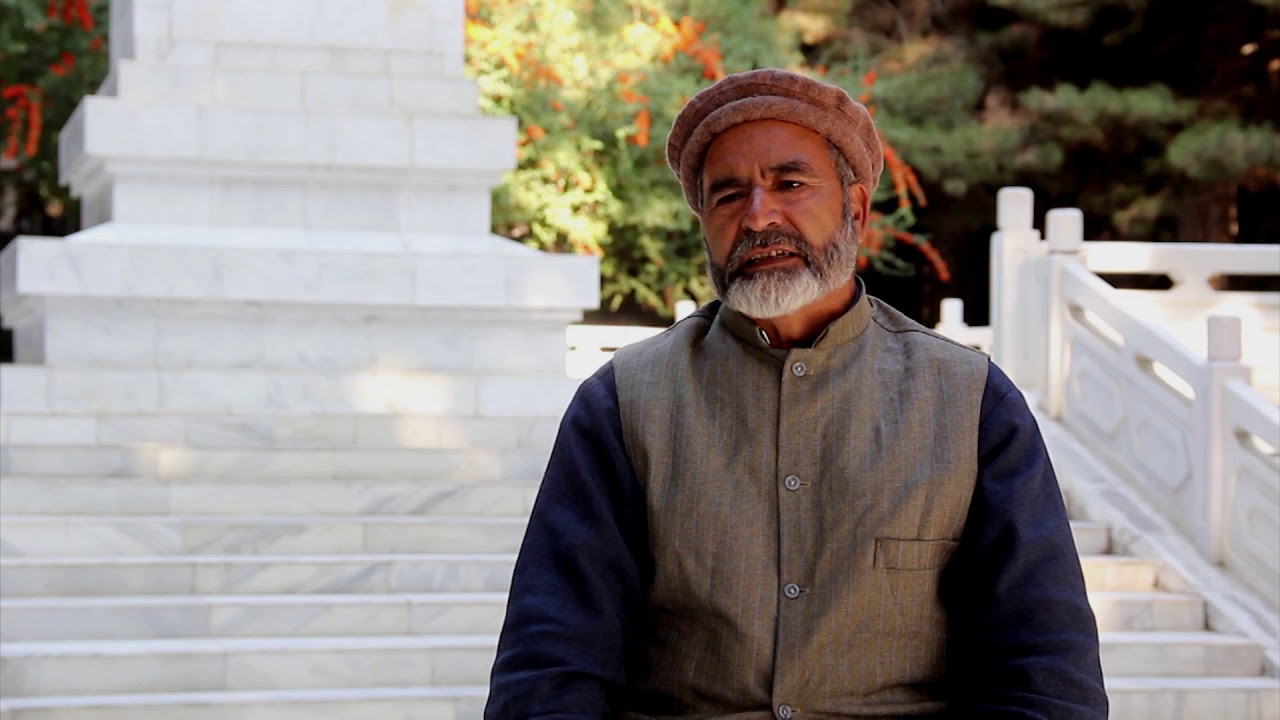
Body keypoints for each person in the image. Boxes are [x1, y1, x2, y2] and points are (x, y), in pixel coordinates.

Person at [485, 68, 1107, 719]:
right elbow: (551, 668)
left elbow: (1045, 675)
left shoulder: (969, 404)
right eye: (728, 196)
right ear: (704, 226)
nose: (759, 216)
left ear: (857, 209)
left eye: (791, 183)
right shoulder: (624, 405)